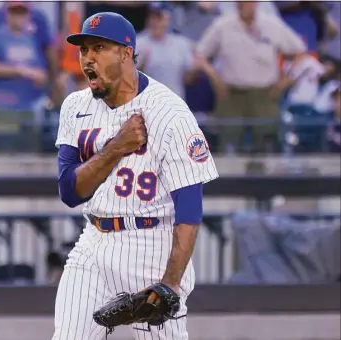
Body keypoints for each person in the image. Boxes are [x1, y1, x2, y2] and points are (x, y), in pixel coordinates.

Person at [53, 12, 219, 340]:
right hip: (94, 240)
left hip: (151, 246)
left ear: (126, 54)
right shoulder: (75, 106)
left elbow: (189, 208)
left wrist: (170, 282)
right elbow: (70, 192)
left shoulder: (169, 113)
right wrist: (116, 147)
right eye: (84, 50)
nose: (88, 59)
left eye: (98, 48)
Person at [195, 1, 306, 153]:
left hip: (265, 95)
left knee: (267, 143)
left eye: (246, 2)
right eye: (239, 2)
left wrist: (284, 81)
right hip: (231, 94)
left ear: (255, 3)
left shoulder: (272, 24)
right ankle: (227, 176)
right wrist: (215, 79)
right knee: (227, 141)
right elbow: (200, 55)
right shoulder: (222, 25)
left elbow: (300, 52)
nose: (242, 5)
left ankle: (266, 176)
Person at [0, 1, 48, 149]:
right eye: (14, 12)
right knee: (0, 153)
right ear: (7, 14)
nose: (18, 17)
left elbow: (40, 70)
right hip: (2, 106)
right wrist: (19, 70)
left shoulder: (30, 39)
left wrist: (40, 77)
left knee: (29, 154)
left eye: (22, 13)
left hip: (28, 106)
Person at [136, 2, 194, 100]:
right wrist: (142, 66)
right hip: (148, 103)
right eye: (151, 17)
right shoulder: (138, 43)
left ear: (168, 19)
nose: (153, 22)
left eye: (158, 17)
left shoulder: (181, 43)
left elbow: (188, 78)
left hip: (176, 103)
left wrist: (199, 67)